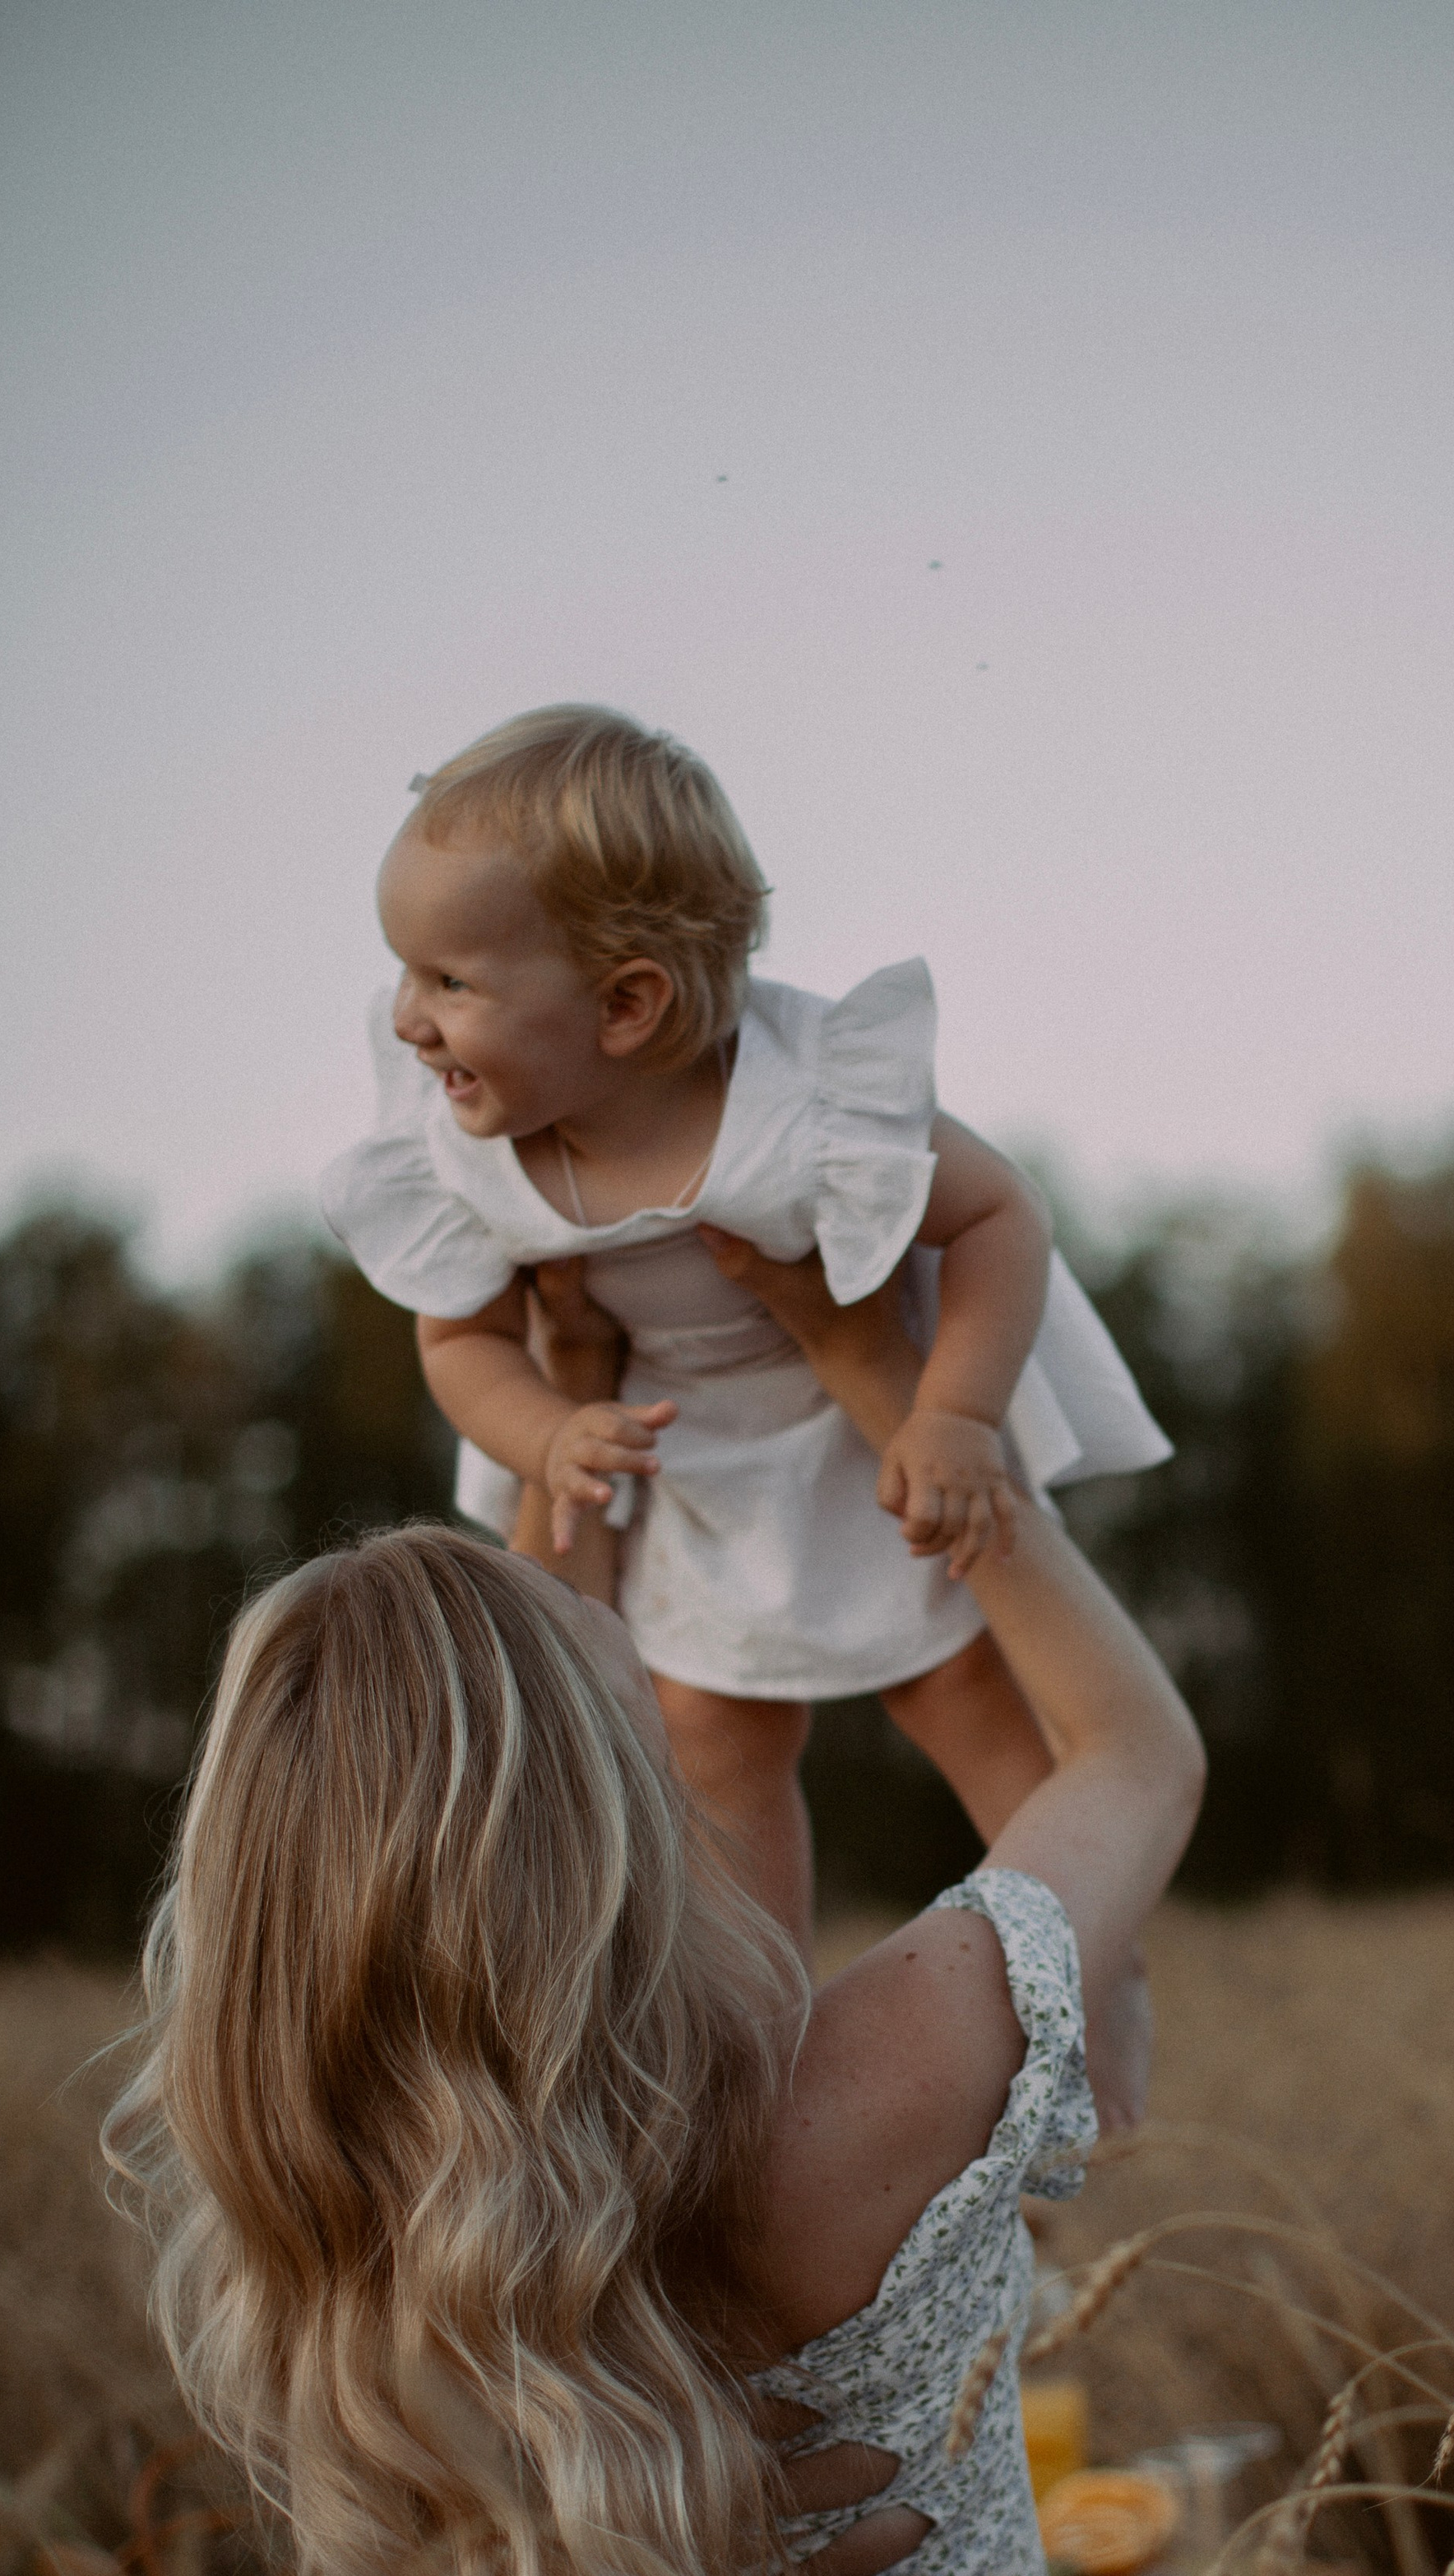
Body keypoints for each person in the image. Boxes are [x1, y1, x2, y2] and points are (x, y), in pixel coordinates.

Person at [104, 1253, 1454, 2576]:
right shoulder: (856, 2096)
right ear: (593, 1809)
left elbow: (534, 1772)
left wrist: (570, 1448)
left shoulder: (375, 2280)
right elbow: (1132, 1755)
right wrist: (894, 1392)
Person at [318, 705, 1171, 1991]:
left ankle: (1090, 1969)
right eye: (404, 971)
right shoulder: (465, 1156)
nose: (405, 1020)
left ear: (625, 1005)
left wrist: (955, 1413)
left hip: (864, 1428)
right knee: (711, 1738)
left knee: (963, 1697)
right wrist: (546, 1431)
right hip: (685, 1452)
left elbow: (1001, 1215)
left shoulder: (798, 1107)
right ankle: (760, 2013)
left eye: (449, 983)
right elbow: (461, 1341)